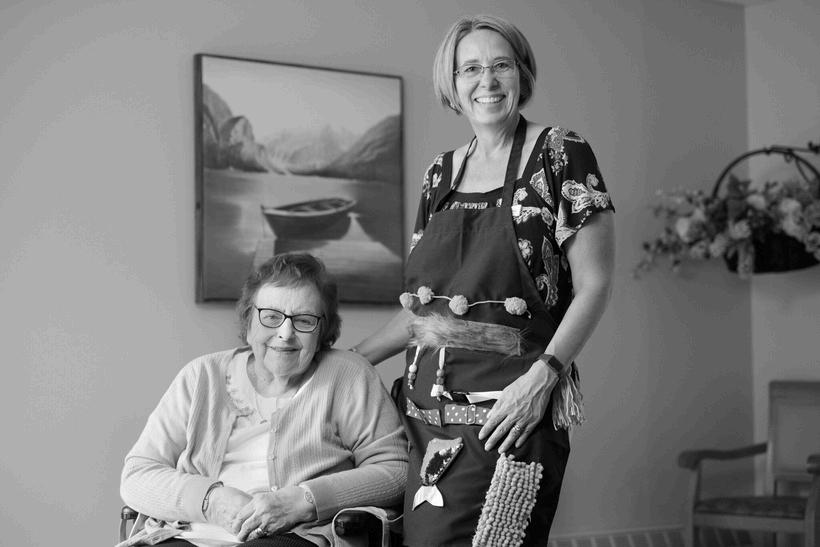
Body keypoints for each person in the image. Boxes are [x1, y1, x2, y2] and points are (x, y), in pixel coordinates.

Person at [352, 14, 615, 547]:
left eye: (501, 65)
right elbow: (426, 313)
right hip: (425, 419)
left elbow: (595, 285)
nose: (487, 81)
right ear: (451, 83)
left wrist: (543, 378)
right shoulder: (440, 173)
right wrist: (349, 361)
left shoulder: (560, 152)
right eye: (470, 68)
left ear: (523, 73)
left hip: (511, 414)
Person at [120, 253, 408, 547]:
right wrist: (210, 500)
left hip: (295, 536)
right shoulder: (201, 375)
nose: (285, 334)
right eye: (271, 317)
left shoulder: (348, 375)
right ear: (248, 323)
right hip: (188, 534)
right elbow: (137, 475)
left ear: (323, 330)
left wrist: (305, 500)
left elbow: (395, 471)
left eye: (304, 320)